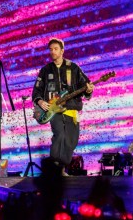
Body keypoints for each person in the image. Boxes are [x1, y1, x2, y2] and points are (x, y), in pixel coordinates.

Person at [32, 38, 94, 175]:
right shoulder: (45, 70)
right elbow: (36, 91)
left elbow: (86, 86)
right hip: (54, 110)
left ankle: (61, 168)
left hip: (71, 109)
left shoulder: (73, 68)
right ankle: (55, 169)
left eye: (55, 49)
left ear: (62, 51)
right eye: (51, 49)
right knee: (59, 135)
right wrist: (40, 101)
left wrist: (88, 90)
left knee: (72, 140)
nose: (52, 51)